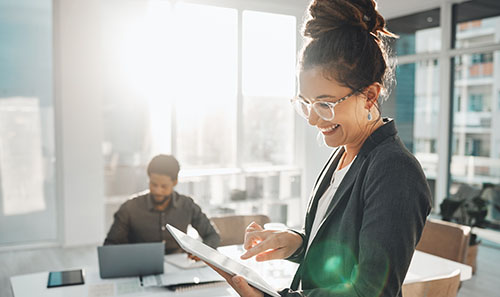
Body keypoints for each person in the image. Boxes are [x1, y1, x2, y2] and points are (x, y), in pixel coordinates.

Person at [207, 0, 432, 296]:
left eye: (325, 104)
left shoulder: (394, 170)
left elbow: (372, 291)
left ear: (369, 95)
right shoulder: (344, 154)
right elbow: (343, 249)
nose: (313, 119)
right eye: (306, 103)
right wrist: (297, 242)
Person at [104, 154, 220, 254]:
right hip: (141, 268)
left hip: (180, 267)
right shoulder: (129, 208)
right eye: (153, 184)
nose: (157, 191)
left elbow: (212, 236)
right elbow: (110, 246)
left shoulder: (187, 205)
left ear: (175, 182)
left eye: (164, 186)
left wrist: (200, 253)